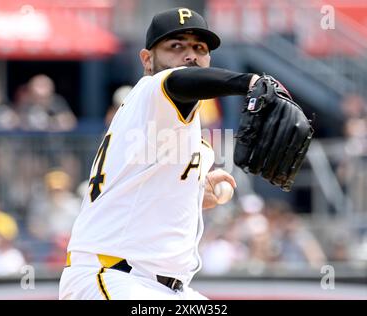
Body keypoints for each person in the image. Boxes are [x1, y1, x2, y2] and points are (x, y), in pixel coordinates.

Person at [59, 7, 261, 300]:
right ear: (147, 60)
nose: (190, 55)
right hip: (114, 276)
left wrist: (197, 189)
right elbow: (179, 81)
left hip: (162, 287)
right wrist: (249, 83)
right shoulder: (152, 90)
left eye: (199, 48)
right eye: (175, 46)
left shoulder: (184, 131)